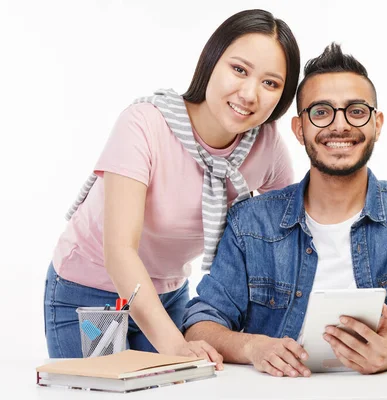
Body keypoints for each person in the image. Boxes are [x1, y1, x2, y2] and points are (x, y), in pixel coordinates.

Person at [181, 43, 387, 377]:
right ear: (299, 129)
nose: (340, 126)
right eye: (321, 112)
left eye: (357, 111)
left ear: (377, 124)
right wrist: (252, 347)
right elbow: (201, 324)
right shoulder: (251, 222)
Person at [44, 9, 301, 364]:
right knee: (104, 389)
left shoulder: (266, 145)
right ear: (211, 60)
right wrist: (176, 346)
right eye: (239, 69)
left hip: (170, 295)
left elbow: (286, 243)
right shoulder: (145, 124)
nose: (249, 93)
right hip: (92, 292)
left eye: (270, 83)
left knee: (175, 389)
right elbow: (119, 251)